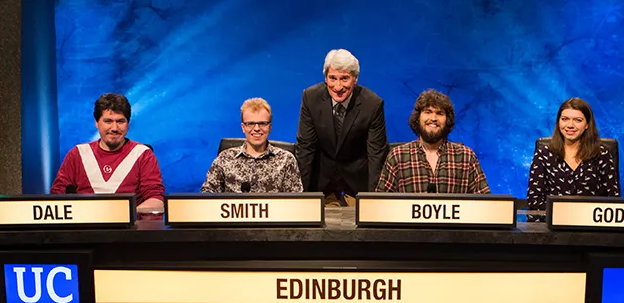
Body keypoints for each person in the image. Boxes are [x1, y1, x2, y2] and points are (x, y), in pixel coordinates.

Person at [296, 49, 388, 206]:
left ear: (355, 79)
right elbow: (305, 149)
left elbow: (376, 156)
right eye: (332, 78)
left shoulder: (372, 104)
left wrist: (373, 201)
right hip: (321, 180)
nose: (338, 87)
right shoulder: (310, 98)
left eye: (344, 78)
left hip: (357, 180)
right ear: (326, 78)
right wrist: (301, 197)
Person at [50, 93, 165, 210]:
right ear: (96, 123)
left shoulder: (143, 154)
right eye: (108, 121)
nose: (114, 128)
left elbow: (156, 200)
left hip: (129, 221)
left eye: (120, 121)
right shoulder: (77, 154)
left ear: (128, 124)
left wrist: (126, 216)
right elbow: (56, 198)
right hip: (85, 221)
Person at [376, 89, 490, 194]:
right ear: (418, 117)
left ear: (447, 120)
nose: (433, 118)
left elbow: (486, 203)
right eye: (428, 112)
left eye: (440, 113)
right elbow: (380, 204)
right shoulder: (397, 156)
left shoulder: (466, 157)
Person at [526, 97, 620, 210]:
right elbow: (534, 200)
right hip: (553, 219)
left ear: (587, 124)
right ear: (558, 122)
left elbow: (613, 199)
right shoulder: (544, 153)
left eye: (578, 120)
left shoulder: (601, 154)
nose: (570, 125)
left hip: (589, 219)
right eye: (565, 119)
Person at [200, 98, 303, 193]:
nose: (257, 128)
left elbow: (296, 201)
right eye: (250, 124)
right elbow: (207, 195)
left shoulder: (286, 160)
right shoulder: (225, 159)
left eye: (262, 123)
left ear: (270, 127)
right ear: (243, 127)